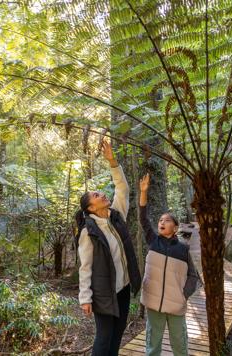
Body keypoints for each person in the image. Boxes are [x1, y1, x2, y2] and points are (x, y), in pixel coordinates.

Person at [75, 140, 141, 356]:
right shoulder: (88, 232)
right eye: (96, 195)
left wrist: (112, 161)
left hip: (122, 287)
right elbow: (85, 267)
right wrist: (85, 298)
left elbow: (122, 188)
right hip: (104, 292)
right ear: (90, 208)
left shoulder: (116, 216)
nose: (102, 194)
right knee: (104, 338)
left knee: (118, 333)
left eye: (100, 193)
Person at [138, 173, 200, 356]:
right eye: (160, 220)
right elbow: (143, 219)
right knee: (152, 345)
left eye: (167, 220)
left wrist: (184, 294)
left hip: (176, 304)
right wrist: (143, 192)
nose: (161, 222)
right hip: (153, 303)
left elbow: (193, 275)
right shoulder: (152, 241)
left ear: (175, 227)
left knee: (180, 345)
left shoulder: (183, 249)